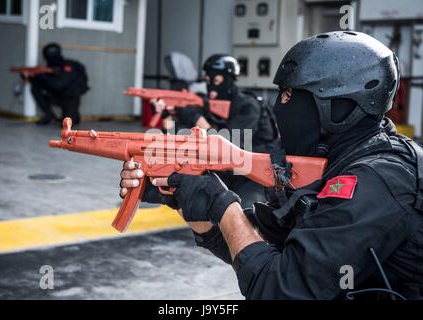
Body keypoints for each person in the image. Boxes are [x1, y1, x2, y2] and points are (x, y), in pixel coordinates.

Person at [120, 31, 423, 300]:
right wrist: (186, 198)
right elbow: (257, 248)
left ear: (336, 106)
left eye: (290, 95)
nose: (280, 105)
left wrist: (222, 202)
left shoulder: (376, 179)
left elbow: (280, 290)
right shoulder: (339, 161)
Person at [155, 54, 276, 208]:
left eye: (217, 81)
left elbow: (226, 146)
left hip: (255, 175)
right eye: (208, 81)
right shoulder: (209, 105)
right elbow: (175, 139)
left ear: (230, 81)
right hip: (227, 170)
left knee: (243, 214)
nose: (212, 87)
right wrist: (169, 116)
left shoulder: (248, 106)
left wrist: (197, 119)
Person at [30, 43, 89, 126]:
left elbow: (59, 84)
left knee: (67, 124)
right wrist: (31, 76)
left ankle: (73, 114)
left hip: (70, 98)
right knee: (35, 87)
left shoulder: (68, 66)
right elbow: (43, 83)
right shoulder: (51, 67)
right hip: (57, 96)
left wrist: (41, 75)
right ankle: (49, 115)